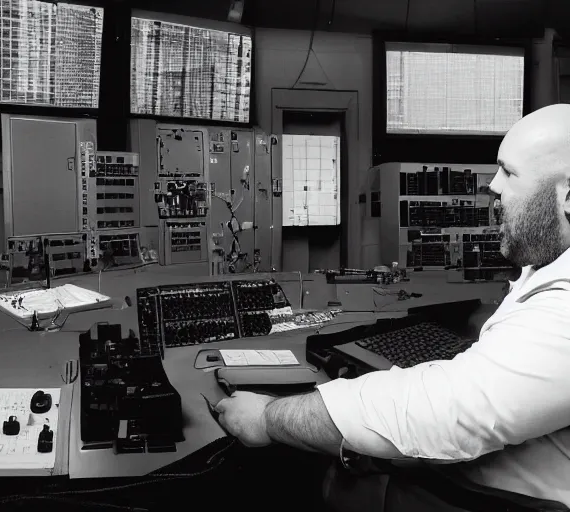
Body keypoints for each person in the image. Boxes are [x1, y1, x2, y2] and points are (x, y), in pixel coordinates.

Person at [215, 103, 570, 511]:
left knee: (311, 475)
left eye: (509, 172)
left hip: (475, 495)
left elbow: (441, 413)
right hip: (487, 477)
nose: (491, 185)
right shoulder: (549, 267)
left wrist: (267, 418)